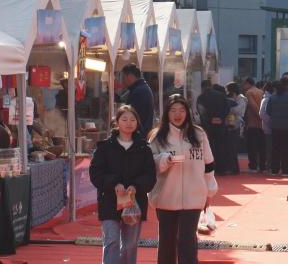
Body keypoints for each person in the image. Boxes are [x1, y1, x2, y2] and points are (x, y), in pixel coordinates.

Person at [148, 95, 218, 264]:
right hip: (165, 197)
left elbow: (209, 164)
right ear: (167, 113)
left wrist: (209, 191)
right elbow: (148, 164)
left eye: (181, 110)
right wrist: (164, 160)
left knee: (187, 240)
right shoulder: (157, 136)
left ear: (187, 112)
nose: (177, 114)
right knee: (167, 241)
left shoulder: (199, 134)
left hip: (194, 196)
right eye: (173, 110)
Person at [89, 105, 157, 264]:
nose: (128, 123)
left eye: (132, 120)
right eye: (124, 119)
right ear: (117, 122)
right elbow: (95, 173)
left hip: (135, 201)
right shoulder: (105, 147)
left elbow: (150, 175)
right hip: (109, 199)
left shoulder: (144, 148)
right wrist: (114, 184)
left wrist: (136, 186)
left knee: (130, 244)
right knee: (111, 240)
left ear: (137, 123)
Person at [265, 78, 288, 176]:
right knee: (286, 148)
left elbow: (268, 111)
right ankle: (286, 170)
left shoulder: (273, 97)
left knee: (275, 147)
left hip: (275, 126)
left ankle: (274, 170)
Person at [196, 80, 229, 174]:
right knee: (220, 146)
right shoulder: (221, 95)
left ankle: (210, 168)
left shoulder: (201, 97)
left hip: (208, 126)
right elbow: (227, 108)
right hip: (220, 125)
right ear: (210, 85)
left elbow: (201, 112)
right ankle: (221, 169)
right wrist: (220, 118)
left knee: (209, 147)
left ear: (202, 87)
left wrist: (210, 119)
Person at [120, 64, 156, 139]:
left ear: (130, 76)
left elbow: (132, 115)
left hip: (139, 136)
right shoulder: (142, 88)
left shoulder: (139, 91)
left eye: (123, 77)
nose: (123, 81)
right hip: (142, 134)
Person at [242, 78, 266, 172]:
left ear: (248, 83)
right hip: (262, 124)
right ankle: (262, 165)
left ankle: (253, 166)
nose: (243, 86)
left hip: (253, 123)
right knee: (262, 146)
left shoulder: (249, 93)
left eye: (244, 84)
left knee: (252, 146)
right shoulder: (261, 92)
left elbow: (253, 106)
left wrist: (260, 116)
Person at [223, 82, 247, 175]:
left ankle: (233, 168)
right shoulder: (231, 98)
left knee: (233, 147)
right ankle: (232, 167)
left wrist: (229, 106)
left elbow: (237, 110)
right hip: (229, 123)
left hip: (236, 124)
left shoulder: (241, 99)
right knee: (229, 147)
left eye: (228, 90)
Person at [259, 81, 275, 173]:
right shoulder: (267, 99)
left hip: (269, 127)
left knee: (270, 148)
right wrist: (271, 122)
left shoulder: (267, 98)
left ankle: (270, 165)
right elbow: (262, 113)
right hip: (269, 128)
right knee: (269, 148)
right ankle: (269, 166)